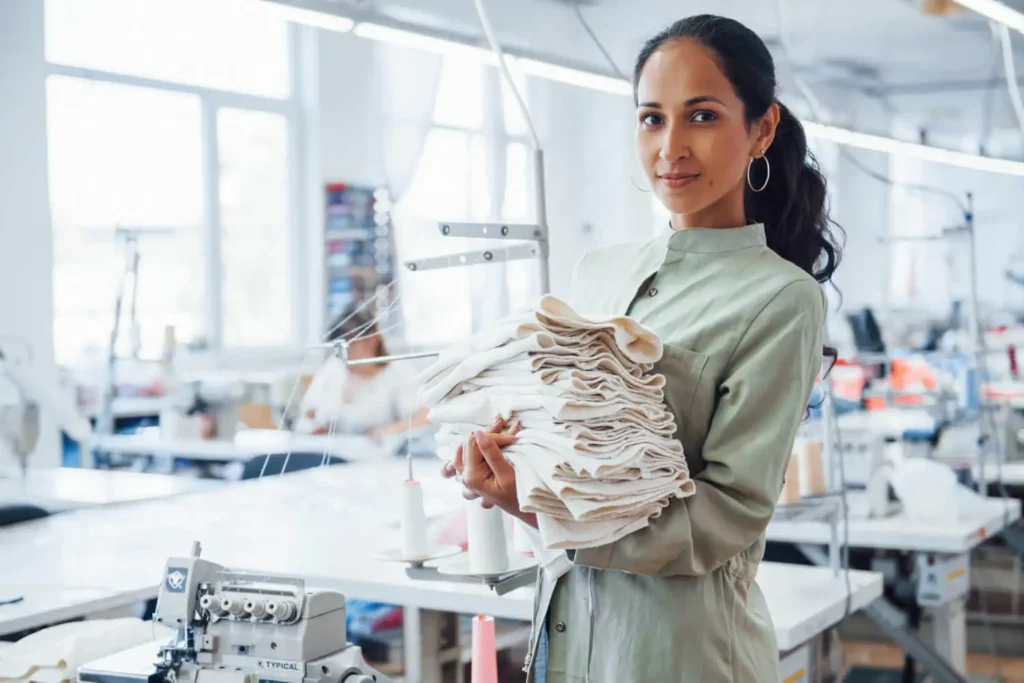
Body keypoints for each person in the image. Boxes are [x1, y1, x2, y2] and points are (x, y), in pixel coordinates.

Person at [441, 14, 843, 682]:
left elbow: (728, 513)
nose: (671, 147)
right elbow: (566, 449)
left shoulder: (782, 299)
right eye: (652, 119)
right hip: (566, 641)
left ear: (761, 130)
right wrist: (507, 455)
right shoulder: (596, 273)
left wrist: (537, 504)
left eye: (703, 116)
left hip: (681, 655)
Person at [296, 305, 429, 439]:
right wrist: (312, 428)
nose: (345, 353)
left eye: (350, 344)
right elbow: (307, 414)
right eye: (339, 347)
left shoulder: (399, 372)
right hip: (330, 447)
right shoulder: (333, 366)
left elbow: (423, 418)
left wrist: (392, 430)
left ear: (372, 338)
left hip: (378, 449)